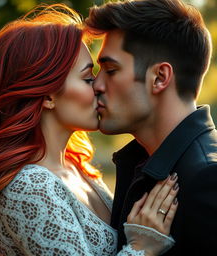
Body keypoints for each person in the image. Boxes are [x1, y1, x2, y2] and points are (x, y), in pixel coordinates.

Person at [0, 4, 179, 256]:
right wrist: (142, 248)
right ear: (48, 96)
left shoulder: (80, 171)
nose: (99, 85)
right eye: (88, 78)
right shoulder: (31, 186)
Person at [85, 0, 216, 255]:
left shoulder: (208, 180)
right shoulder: (140, 162)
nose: (96, 85)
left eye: (110, 70)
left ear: (160, 78)